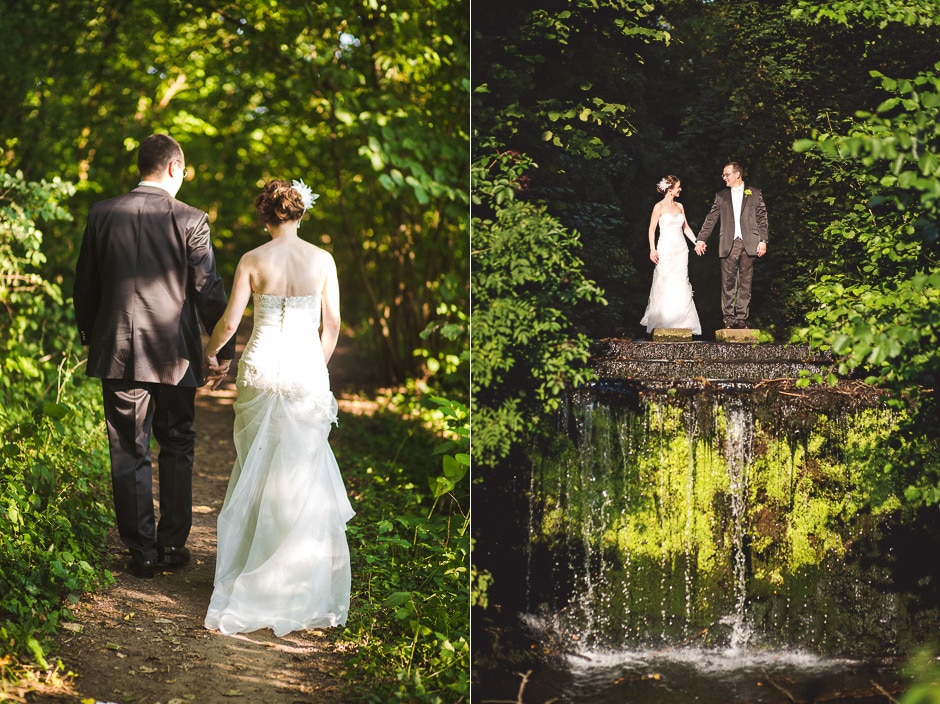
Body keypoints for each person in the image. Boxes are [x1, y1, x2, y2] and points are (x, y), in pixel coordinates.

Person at [74, 134, 235, 580]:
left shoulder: (102, 213)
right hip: (176, 354)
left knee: (129, 447)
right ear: (172, 169)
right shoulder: (192, 220)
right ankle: (171, 545)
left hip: (119, 350)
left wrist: (92, 334)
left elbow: (85, 285)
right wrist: (222, 353)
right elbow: (208, 290)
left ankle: (140, 551)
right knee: (178, 442)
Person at [202, 179, 354, 637]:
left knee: (257, 466)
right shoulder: (322, 260)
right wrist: (315, 366)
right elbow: (332, 325)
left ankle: (252, 567)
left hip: (261, 369)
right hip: (305, 373)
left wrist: (213, 358)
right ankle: (294, 581)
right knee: (302, 473)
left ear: (266, 215)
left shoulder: (253, 259)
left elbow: (231, 321)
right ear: (302, 212)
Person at [694, 162, 768, 329]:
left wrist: (763, 240)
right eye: (723, 175)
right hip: (729, 242)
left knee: (745, 282)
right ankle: (728, 319)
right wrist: (701, 238)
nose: (724, 178)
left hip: (749, 242)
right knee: (727, 282)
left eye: (726, 174)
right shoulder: (721, 196)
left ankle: (742, 318)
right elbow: (711, 218)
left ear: (737, 174)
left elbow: (762, 218)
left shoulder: (754, 193)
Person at [639, 175, 702, 334]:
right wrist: (652, 249)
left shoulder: (680, 206)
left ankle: (681, 322)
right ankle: (664, 321)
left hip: (681, 249)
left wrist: (697, 242)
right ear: (670, 189)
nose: (681, 189)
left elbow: (686, 228)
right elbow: (652, 229)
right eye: (678, 186)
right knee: (665, 281)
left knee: (680, 281)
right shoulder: (658, 207)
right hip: (665, 248)